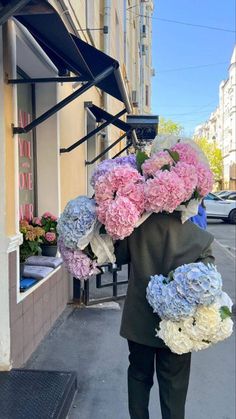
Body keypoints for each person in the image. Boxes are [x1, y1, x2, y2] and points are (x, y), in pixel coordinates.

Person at [115, 211, 214, 419]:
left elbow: (119, 256)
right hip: (178, 327)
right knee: (174, 387)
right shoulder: (198, 237)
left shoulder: (136, 228)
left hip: (139, 321)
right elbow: (208, 286)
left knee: (138, 377)